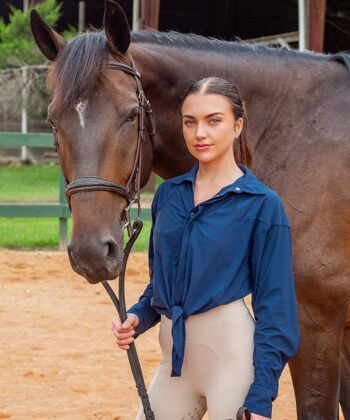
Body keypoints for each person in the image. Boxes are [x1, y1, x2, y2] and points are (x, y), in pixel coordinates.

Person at [111, 77, 300, 420]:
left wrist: (260, 399)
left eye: (214, 121)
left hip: (232, 362)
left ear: (238, 125)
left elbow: (276, 309)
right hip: (176, 364)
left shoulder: (262, 205)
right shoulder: (168, 196)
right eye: (190, 121)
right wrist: (139, 315)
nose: (200, 133)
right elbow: (162, 282)